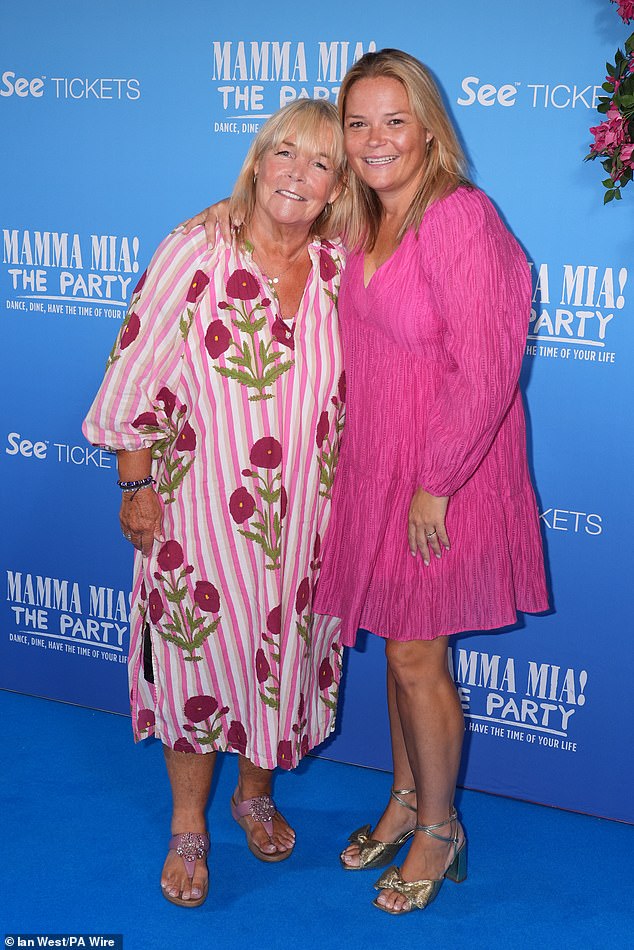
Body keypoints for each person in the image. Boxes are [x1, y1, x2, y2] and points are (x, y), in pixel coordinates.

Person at [190, 48, 548, 916]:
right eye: (359, 123)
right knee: (396, 641)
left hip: (443, 473)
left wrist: (437, 481)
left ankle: (440, 828)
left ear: (428, 125)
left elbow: (488, 366)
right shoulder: (359, 218)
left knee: (420, 655)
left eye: (394, 120)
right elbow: (278, 227)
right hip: (373, 464)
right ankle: (402, 802)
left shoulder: (462, 218)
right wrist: (223, 218)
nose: (375, 139)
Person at [83, 99, 348, 908]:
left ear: (338, 188)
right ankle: (190, 825)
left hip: (307, 519)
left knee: (279, 655)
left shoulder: (344, 263)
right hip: (198, 512)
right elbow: (133, 373)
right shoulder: (195, 249)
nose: (297, 175)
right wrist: (136, 484)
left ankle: (254, 794)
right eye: (285, 155)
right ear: (258, 161)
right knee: (200, 658)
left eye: (320, 164)